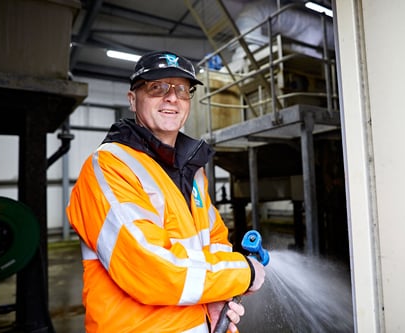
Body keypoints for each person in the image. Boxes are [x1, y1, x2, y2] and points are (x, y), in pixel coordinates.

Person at [67, 50, 266, 333]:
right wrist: (242, 273)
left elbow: (215, 239)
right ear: (132, 100)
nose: (172, 97)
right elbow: (147, 268)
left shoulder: (193, 170)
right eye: (157, 87)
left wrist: (216, 297)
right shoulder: (108, 166)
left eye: (182, 89)